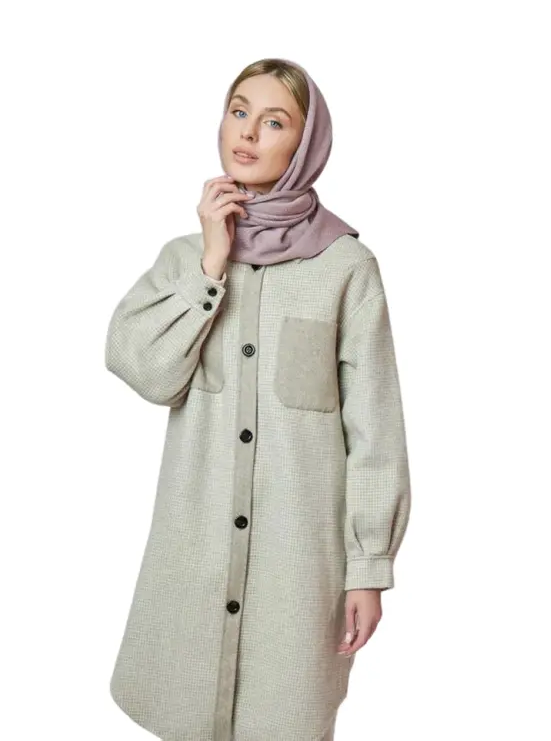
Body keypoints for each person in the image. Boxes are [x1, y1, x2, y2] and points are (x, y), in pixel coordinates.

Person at [106, 57, 411, 741]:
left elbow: (375, 430)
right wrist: (212, 266)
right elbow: (145, 370)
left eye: (274, 121)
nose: (246, 133)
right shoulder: (185, 259)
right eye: (238, 111)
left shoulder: (346, 269)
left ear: (306, 144)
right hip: (194, 561)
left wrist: (368, 567)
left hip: (297, 572)